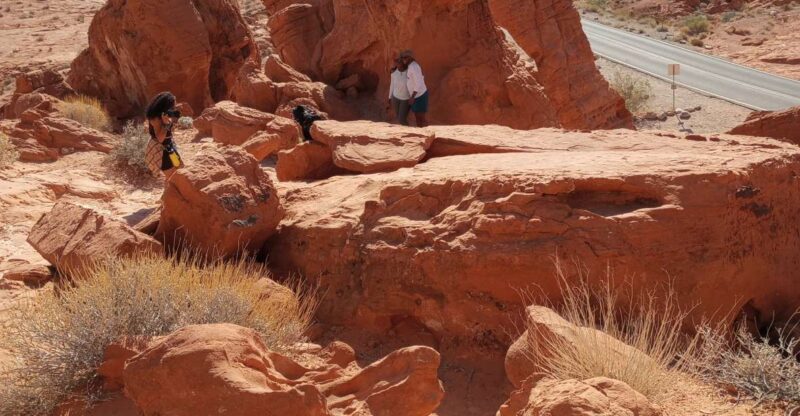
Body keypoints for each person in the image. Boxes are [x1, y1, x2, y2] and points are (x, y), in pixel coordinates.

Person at [144, 92, 183, 182]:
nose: (174, 108)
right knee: (172, 178)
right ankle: (169, 195)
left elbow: (170, 132)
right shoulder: (155, 118)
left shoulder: (165, 115)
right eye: (172, 106)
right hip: (162, 153)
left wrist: (171, 120)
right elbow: (160, 138)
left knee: (179, 170)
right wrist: (165, 124)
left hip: (170, 149)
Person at [400, 49, 429, 128]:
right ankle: (422, 135)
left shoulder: (414, 67)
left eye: (405, 57)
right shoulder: (410, 66)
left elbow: (418, 82)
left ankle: (428, 134)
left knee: (421, 117)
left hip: (420, 95)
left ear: (410, 58)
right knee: (417, 117)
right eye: (402, 58)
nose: (403, 59)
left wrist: (412, 97)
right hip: (416, 96)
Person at [388, 56, 410, 125]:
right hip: (395, 98)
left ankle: (409, 132)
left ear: (403, 63)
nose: (398, 64)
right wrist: (389, 97)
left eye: (400, 62)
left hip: (405, 99)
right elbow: (392, 85)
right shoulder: (393, 73)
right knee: (399, 118)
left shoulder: (409, 72)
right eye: (397, 62)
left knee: (401, 119)